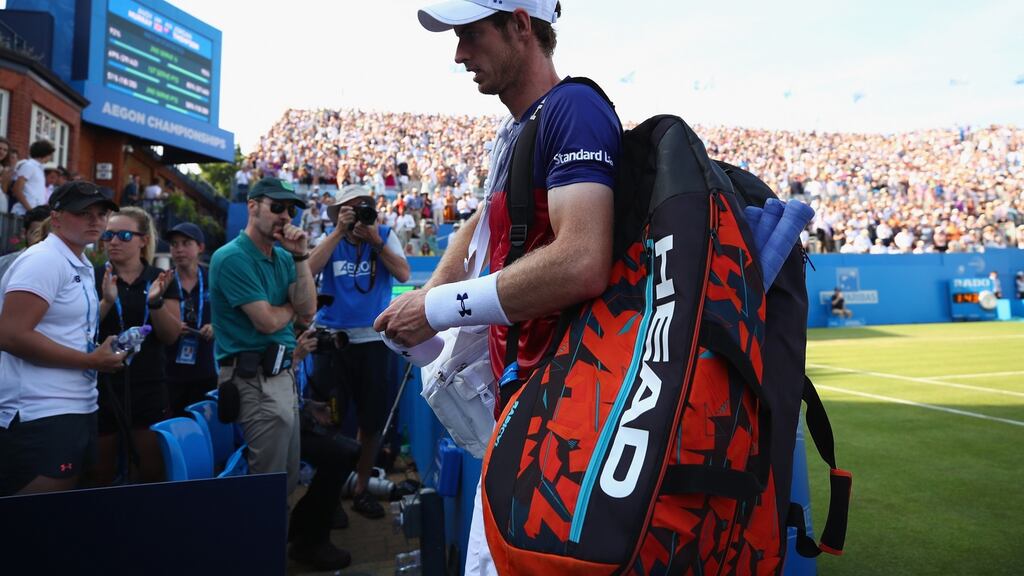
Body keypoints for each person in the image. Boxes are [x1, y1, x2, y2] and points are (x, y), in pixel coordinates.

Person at [376, 2, 618, 574]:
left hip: (559, 425)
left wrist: (435, 308)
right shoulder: (517, 128)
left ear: (519, 24)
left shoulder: (574, 108)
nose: (460, 55)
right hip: (520, 414)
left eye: (471, 35)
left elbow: (582, 259)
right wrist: (429, 294)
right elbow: (482, 221)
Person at [208, 178, 318, 556]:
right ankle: (258, 558)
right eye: (277, 207)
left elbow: (308, 310)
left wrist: (302, 257)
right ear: (252, 206)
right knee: (268, 485)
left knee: (285, 481)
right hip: (253, 379)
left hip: (281, 376)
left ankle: (268, 556)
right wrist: (289, 312)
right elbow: (269, 322)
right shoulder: (232, 257)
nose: (285, 216)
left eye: (291, 210)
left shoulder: (285, 256)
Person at [0, 181, 125, 496]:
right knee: (34, 528)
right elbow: (11, 335)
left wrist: (100, 353)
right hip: (39, 413)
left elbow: (65, 332)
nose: (95, 221)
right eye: (84, 213)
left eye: (101, 213)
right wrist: (90, 360)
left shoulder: (79, 262)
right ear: (56, 218)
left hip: (72, 407)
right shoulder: (44, 260)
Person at [308, 184, 410, 519]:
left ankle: (361, 487)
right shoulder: (330, 238)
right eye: (351, 209)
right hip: (332, 340)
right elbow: (308, 271)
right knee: (329, 421)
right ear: (340, 213)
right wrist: (338, 232)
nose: (359, 214)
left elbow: (403, 273)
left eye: (364, 207)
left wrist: (375, 242)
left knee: (371, 421)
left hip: (372, 341)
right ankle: (329, 496)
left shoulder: (384, 235)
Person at [93, 207, 179, 485]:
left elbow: (170, 336)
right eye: (109, 235)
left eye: (124, 235)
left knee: (148, 469)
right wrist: (106, 302)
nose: (114, 241)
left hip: (148, 383)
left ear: (143, 240)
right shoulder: (93, 276)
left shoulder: (160, 279)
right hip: (102, 385)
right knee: (100, 471)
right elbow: (82, 331)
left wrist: (155, 302)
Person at [289, 327, 358, 570]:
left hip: (294, 417)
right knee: (338, 456)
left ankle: (302, 526)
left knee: (349, 451)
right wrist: (296, 358)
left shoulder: (287, 334)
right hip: (274, 424)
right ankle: (309, 540)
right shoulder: (272, 333)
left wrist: (309, 407)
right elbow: (267, 383)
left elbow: (288, 395)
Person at [162, 223, 217, 416]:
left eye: (186, 243)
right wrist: (170, 323)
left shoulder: (214, 278)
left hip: (207, 368)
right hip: (170, 371)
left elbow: (232, 315)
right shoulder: (163, 282)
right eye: (174, 244)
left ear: (200, 247)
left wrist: (216, 326)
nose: (179, 249)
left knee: (206, 424)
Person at [0, 205, 52, 281]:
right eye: (37, 234)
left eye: (47, 235)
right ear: (24, 234)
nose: (42, 241)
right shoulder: (4, 263)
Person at [9, 139, 55, 215]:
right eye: (50, 154)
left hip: (32, 214)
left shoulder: (39, 168)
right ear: (45, 153)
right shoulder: (29, 165)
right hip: (23, 213)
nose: (50, 157)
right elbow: (17, 189)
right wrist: (31, 211)